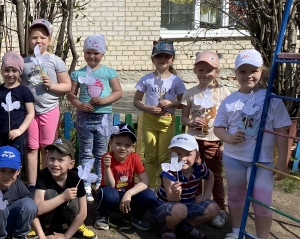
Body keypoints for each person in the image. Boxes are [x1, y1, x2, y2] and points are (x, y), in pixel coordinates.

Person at [214, 49, 291, 239]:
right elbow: (218, 128)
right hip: (234, 158)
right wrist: (229, 138)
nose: (248, 75)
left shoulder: (272, 100)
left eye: (253, 71)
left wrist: (282, 162)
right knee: (236, 196)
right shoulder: (229, 101)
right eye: (243, 71)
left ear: (262, 72)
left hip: (262, 161)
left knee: (262, 200)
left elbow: (282, 131)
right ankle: (236, 232)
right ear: (235, 74)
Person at [180, 50, 232, 228]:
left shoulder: (224, 93)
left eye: (209, 70)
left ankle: (219, 208)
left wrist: (225, 142)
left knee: (215, 175)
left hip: (214, 140)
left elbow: (231, 120)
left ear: (217, 71)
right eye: (200, 70)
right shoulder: (190, 93)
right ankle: (197, 205)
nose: (204, 74)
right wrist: (192, 122)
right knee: (195, 172)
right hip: (193, 142)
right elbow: (184, 118)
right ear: (195, 71)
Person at [68, 34, 122, 201]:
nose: (92, 56)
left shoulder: (109, 72)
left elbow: (118, 92)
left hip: (103, 118)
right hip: (84, 118)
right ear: (84, 52)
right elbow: (71, 95)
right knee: (85, 152)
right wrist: (80, 105)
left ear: (102, 53)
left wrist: (104, 101)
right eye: (88, 52)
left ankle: (100, 182)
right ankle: (85, 184)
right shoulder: (77, 74)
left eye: (96, 53)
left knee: (101, 152)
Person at [22, 19, 72, 186]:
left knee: (47, 147)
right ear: (29, 40)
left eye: (43, 37)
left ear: (49, 40)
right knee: (31, 147)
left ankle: (46, 183)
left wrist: (52, 85)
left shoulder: (55, 61)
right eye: (34, 37)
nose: (39, 41)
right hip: (30, 112)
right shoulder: (25, 62)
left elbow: (67, 86)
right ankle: (32, 184)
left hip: (49, 109)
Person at [151, 134, 220, 239]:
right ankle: (167, 229)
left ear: (197, 156)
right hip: (164, 208)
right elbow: (172, 199)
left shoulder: (200, 168)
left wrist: (206, 195)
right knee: (180, 209)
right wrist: (176, 192)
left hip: (187, 205)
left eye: (188, 154)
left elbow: (210, 177)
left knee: (214, 208)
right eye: (178, 154)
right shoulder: (169, 173)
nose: (182, 158)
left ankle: (186, 226)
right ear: (171, 154)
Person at [133, 41, 186, 186]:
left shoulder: (176, 80)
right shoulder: (146, 79)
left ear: (172, 59)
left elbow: (183, 103)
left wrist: (171, 103)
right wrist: (148, 108)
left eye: (167, 56)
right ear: (153, 59)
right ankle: (149, 188)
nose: (163, 59)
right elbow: (136, 101)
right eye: (159, 56)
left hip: (167, 122)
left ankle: (164, 188)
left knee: (164, 157)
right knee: (150, 157)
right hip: (149, 121)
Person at [94, 123, 159, 231]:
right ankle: (102, 215)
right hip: (113, 196)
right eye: (118, 143)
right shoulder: (107, 157)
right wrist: (107, 167)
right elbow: (110, 185)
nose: (122, 148)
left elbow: (145, 181)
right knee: (108, 193)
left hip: (128, 198)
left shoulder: (135, 158)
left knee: (150, 195)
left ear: (133, 147)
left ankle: (136, 216)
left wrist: (129, 194)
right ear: (111, 143)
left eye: (127, 145)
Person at [33, 137, 97, 239]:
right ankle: (44, 226)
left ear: (71, 164)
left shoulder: (76, 178)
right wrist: (62, 197)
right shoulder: (43, 175)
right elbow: (36, 209)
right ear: (47, 158)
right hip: (49, 215)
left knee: (73, 200)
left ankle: (76, 226)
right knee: (51, 193)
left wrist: (65, 236)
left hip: (69, 216)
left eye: (60, 160)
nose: (55, 163)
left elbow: (83, 212)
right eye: (52, 158)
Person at [0, 51, 35, 162]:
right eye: (7, 70)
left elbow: (31, 113)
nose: (10, 74)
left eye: (14, 70)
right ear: (2, 70)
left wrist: (20, 130)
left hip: (16, 135)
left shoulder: (24, 91)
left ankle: (15, 174)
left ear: (20, 72)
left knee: (14, 161)